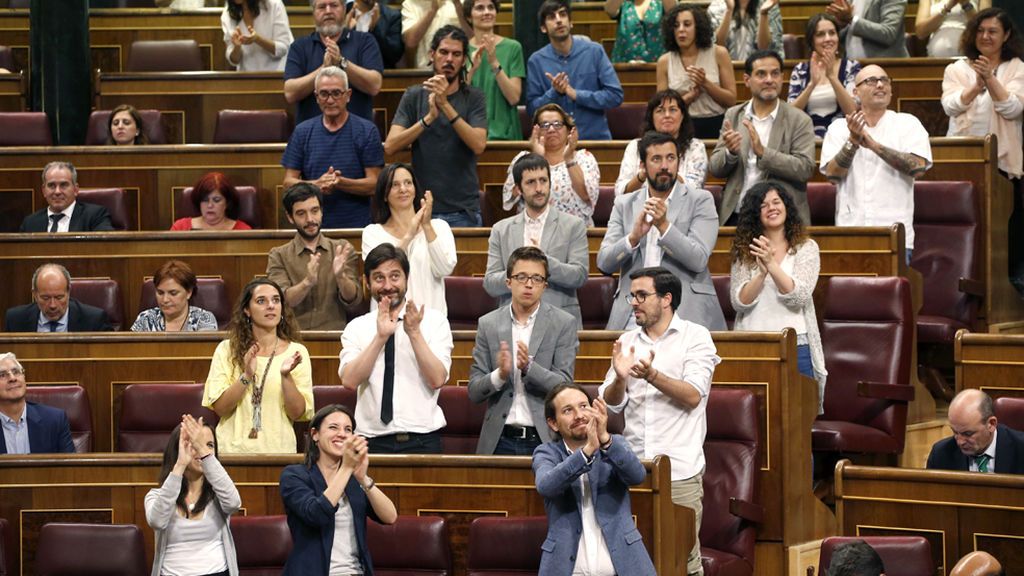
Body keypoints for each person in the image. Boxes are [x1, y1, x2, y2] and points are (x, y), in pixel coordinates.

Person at [598, 266, 721, 576]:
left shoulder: (696, 337)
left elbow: (693, 395)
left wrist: (651, 375)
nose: (634, 302)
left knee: (681, 562)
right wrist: (621, 379)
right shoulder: (627, 340)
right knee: (629, 560)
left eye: (642, 295)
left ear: (667, 299)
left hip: (678, 470)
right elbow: (611, 403)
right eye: (632, 296)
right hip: (632, 468)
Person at [599, 131, 726, 332]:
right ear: (642, 165)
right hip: (634, 314)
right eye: (656, 159)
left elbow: (698, 259)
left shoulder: (700, 200)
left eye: (671, 158)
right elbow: (604, 263)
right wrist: (633, 238)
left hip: (685, 312)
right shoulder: (624, 204)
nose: (665, 166)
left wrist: (664, 227)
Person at [338, 244, 453, 454]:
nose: (388, 285)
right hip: (370, 441)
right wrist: (380, 337)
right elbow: (349, 380)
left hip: (423, 439)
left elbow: (437, 379)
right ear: (367, 282)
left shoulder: (434, 321)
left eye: (395, 276)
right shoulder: (356, 327)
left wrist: (414, 334)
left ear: (406, 279)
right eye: (379, 278)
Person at [533, 383, 657, 576]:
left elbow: (637, 476)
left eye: (584, 406)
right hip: (567, 569)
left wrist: (605, 440)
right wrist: (587, 451)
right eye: (568, 410)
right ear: (553, 423)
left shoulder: (615, 444)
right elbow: (547, 486)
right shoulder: (546, 453)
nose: (579, 415)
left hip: (623, 567)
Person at [470, 247, 579, 455]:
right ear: (508, 282)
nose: (529, 284)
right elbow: (474, 391)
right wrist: (499, 375)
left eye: (537, 278)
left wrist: (530, 368)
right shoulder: (488, 324)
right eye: (521, 277)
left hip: (544, 438)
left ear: (545, 286)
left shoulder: (563, 323)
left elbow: (565, 385)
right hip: (499, 440)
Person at [730, 182, 827, 412]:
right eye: (763, 205)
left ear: (786, 207)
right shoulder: (745, 250)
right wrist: (761, 274)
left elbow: (799, 296)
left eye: (776, 202)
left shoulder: (806, 248)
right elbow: (738, 302)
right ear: (756, 213)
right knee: (756, 418)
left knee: (798, 419)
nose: (771, 208)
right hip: (752, 344)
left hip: (797, 345)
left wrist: (772, 265)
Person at [821, 64, 932, 264]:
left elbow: (918, 167)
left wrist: (874, 146)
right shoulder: (838, 128)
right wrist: (853, 143)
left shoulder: (908, 124)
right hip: (850, 232)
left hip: (895, 234)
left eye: (885, 80)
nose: (880, 85)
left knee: (893, 294)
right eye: (871, 81)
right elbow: (832, 175)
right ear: (855, 92)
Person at [384, 26, 488, 228]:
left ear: (464, 59)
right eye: (444, 52)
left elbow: (478, 144)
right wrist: (428, 118)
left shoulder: (474, 97)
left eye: (456, 54)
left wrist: (445, 105)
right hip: (422, 208)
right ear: (432, 54)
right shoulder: (414, 96)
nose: (449, 59)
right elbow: (390, 146)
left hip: (463, 211)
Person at [279, 404, 398, 575]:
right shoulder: (294, 476)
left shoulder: (353, 479)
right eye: (333, 427)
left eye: (348, 429)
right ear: (315, 434)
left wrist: (363, 478)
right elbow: (316, 514)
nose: (341, 434)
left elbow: (390, 517)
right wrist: (347, 468)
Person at [202, 278, 314, 454]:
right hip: (231, 452)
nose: (271, 306)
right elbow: (220, 408)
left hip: (279, 452)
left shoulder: (296, 352)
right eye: (261, 301)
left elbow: (297, 414)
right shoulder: (226, 350)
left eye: (276, 300)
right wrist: (246, 376)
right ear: (247, 310)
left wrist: (286, 376)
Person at [709, 50, 817, 226]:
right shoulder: (734, 115)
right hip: (738, 215)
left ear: (782, 78)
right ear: (746, 80)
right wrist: (730, 153)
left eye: (775, 73)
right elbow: (715, 167)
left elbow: (804, 168)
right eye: (761, 74)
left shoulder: (799, 120)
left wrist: (763, 153)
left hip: (781, 220)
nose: (769, 80)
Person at [486, 154, 588, 327]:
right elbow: (490, 284)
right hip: (513, 323)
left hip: (559, 322)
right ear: (518, 188)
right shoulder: (500, 230)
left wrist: (543, 261)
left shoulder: (574, 225)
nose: (539, 188)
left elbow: (579, 276)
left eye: (543, 180)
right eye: (531, 182)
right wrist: (519, 272)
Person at [282, 66, 385, 229]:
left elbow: (375, 184)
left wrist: (340, 183)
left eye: (336, 93)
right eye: (324, 94)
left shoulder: (367, 130)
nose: (330, 100)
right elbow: (288, 183)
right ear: (316, 97)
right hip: (312, 227)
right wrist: (316, 185)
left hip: (357, 226)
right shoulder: (302, 131)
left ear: (348, 95)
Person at [145, 415, 241, 576]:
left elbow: (233, 504)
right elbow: (157, 521)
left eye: (210, 445)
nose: (203, 450)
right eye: (193, 445)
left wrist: (202, 450)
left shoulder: (219, 493)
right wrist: (181, 464)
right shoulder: (156, 496)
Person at [361, 163, 457, 314]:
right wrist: (409, 235)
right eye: (395, 185)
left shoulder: (439, 227)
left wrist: (426, 226)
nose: (403, 189)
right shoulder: (372, 233)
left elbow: (445, 269)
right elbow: (383, 270)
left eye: (408, 183)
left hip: (431, 320)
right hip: (388, 320)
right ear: (385, 195)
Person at [267, 183, 363, 331]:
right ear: (290, 217)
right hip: (292, 338)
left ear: (322, 211)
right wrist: (307, 282)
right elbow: (281, 301)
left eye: (314, 211)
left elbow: (354, 301)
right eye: (301, 213)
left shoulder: (341, 248)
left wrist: (341, 277)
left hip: (334, 336)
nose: (310, 219)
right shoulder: (278, 255)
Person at [942, 7, 1024, 179]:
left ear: (1006, 35)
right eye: (980, 31)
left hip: (1001, 160)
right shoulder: (956, 69)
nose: (985, 36)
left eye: (992, 31)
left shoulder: (1017, 67)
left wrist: (990, 79)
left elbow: (1013, 109)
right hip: (962, 156)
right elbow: (950, 108)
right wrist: (975, 87)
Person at [526, 0, 624, 140]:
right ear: (543, 28)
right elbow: (531, 110)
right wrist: (554, 93)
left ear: (571, 22)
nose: (559, 20)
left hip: (594, 140)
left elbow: (615, 96)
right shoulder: (536, 61)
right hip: (556, 145)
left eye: (563, 14)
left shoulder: (594, 52)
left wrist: (576, 95)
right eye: (551, 17)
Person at [284, 0, 383, 124]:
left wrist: (342, 62)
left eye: (334, 5)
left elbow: (374, 85)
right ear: (314, 12)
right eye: (321, 7)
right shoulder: (299, 46)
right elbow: (290, 93)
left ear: (344, 9)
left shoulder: (365, 41)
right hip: (312, 137)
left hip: (357, 135)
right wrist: (323, 69)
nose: (328, 11)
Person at [501, 104, 601, 225]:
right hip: (532, 232)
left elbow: (586, 196)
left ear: (569, 130)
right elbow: (509, 200)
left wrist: (569, 159)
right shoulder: (523, 158)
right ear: (536, 131)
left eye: (557, 124)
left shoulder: (584, 158)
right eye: (545, 125)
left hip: (573, 233)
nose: (551, 129)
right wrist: (537, 158)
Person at [656, 3, 737, 139]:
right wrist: (687, 98)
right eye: (676, 26)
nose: (681, 30)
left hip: (717, 124)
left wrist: (706, 83)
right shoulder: (664, 61)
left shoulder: (719, 53)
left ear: (698, 27)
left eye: (687, 24)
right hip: (680, 127)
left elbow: (731, 100)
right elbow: (661, 108)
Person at [615, 88, 709, 196]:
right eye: (660, 110)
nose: (667, 115)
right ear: (652, 117)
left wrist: (666, 172)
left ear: (682, 115)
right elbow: (620, 192)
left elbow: (695, 189)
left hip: (683, 209)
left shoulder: (695, 147)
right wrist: (642, 175)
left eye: (673, 110)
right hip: (641, 208)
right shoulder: (635, 146)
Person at [788, 13, 862, 138]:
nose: (828, 38)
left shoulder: (851, 67)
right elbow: (790, 115)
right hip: (805, 137)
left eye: (832, 33)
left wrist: (832, 77)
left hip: (842, 136)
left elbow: (853, 112)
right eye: (820, 34)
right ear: (812, 40)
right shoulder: (801, 70)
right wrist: (811, 85)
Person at [465, 0, 526, 141]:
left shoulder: (513, 47)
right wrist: (471, 70)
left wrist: (494, 62)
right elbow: (457, 97)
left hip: (506, 135)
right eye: (480, 8)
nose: (487, 12)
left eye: (491, 7)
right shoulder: (461, 50)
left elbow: (514, 98)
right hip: (470, 134)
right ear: (469, 16)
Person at [926, 389, 1024, 473]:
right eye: (955, 432)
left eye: (968, 434)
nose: (960, 442)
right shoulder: (941, 454)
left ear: (991, 424)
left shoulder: (1020, 448)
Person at [0, 352, 74, 454]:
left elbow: (69, 468)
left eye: (16, 372)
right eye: (2, 375)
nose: (12, 378)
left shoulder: (55, 420)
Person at [4, 263, 113, 333]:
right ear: (35, 294)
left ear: (68, 292)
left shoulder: (93, 321)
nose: (53, 305)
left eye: (59, 297)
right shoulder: (15, 320)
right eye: (45, 298)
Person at [20, 161, 114, 233]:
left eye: (64, 185)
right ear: (44, 190)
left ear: (76, 189)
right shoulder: (30, 223)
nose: (57, 191)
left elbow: (106, 248)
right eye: (51, 185)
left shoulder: (95, 216)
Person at [131, 260, 218, 332]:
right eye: (160, 293)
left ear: (189, 292)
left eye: (173, 293)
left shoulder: (204, 319)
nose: (165, 300)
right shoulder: (146, 318)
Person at [222, 0, 294, 72]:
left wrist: (257, 39)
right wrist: (237, 47)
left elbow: (283, 49)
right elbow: (234, 61)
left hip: (276, 75)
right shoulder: (228, 12)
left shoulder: (274, 4)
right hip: (246, 77)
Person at [171, 172, 254, 231]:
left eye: (216, 200)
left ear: (227, 203)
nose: (210, 205)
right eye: (205, 200)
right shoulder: (180, 227)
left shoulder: (243, 231)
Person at [826, 0, 910, 58]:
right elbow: (849, 27)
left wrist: (851, 20)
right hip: (851, 66)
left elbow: (888, 33)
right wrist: (841, 24)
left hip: (885, 68)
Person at [707, 0, 784, 61]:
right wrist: (729, 10)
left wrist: (763, 14)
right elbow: (716, 47)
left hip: (761, 70)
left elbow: (766, 50)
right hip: (725, 71)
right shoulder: (716, 7)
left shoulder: (769, 3)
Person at [401, 0, 470, 68]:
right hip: (426, 70)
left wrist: (457, 5)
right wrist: (432, 10)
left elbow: (473, 39)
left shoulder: (462, 2)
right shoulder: (410, 3)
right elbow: (410, 42)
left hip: (459, 70)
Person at [916, 0, 991, 57]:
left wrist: (965, 4)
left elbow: (985, 27)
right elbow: (920, 32)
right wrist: (947, 8)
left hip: (970, 58)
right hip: (935, 58)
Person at [607, 0, 673, 63]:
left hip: (657, 65)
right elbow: (610, 10)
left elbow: (673, 11)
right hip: (624, 65)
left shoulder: (659, 3)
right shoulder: (624, 3)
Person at [345, 0, 404, 69]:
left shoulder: (392, 16)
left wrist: (375, 30)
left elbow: (395, 56)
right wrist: (346, 31)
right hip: (344, 75)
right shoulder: (342, 12)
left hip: (382, 75)